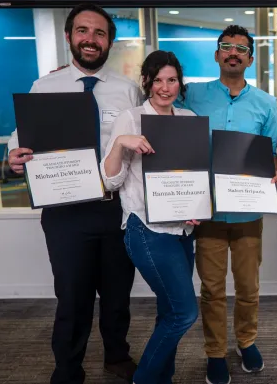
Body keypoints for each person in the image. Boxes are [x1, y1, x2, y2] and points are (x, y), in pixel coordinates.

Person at [6, 4, 142, 384]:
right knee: (72, 294)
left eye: (100, 33)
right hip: (65, 211)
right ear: (69, 36)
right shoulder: (44, 87)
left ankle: (117, 355)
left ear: (110, 42)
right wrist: (14, 156)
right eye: (83, 31)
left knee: (117, 293)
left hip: (116, 209)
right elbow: (21, 141)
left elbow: (143, 145)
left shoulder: (128, 90)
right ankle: (68, 367)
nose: (90, 39)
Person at [174, 25, 277, 384]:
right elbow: (158, 108)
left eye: (241, 48)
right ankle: (215, 352)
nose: (233, 52)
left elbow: (268, 155)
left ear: (250, 58)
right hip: (208, 212)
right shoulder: (191, 95)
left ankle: (246, 341)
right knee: (212, 289)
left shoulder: (266, 103)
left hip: (249, 212)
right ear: (217, 55)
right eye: (227, 47)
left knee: (249, 286)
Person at [100, 50, 199, 384]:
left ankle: (162, 379)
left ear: (179, 84)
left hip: (183, 232)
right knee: (185, 312)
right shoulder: (130, 118)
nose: (165, 87)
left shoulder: (187, 118)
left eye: (171, 80)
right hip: (147, 229)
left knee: (169, 311)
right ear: (147, 82)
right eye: (157, 80)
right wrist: (119, 145)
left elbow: (194, 174)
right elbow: (110, 180)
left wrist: (197, 205)